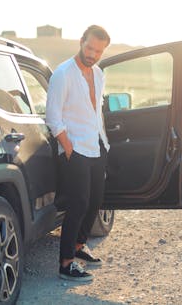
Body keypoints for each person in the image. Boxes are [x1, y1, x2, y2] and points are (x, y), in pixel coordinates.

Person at [46, 25, 111, 282]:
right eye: (89, 48)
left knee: (96, 200)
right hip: (75, 149)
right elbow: (53, 116)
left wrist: (104, 142)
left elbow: (97, 112)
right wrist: (68, 148)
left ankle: (78, 245)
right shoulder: (63, 74)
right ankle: (66, 263)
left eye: (98, 51)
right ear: (81, 41)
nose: (92, 54)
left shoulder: (98, 74)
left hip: (96, 145)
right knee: (79, 203)